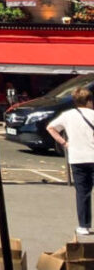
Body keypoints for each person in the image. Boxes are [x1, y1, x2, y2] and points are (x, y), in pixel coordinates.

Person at [47, 87, 94, 236]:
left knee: (82, 193)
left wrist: (64, 143)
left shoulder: (68, 115)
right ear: (89, 101)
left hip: (77, 157)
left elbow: (51, 127)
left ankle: (84, 226)